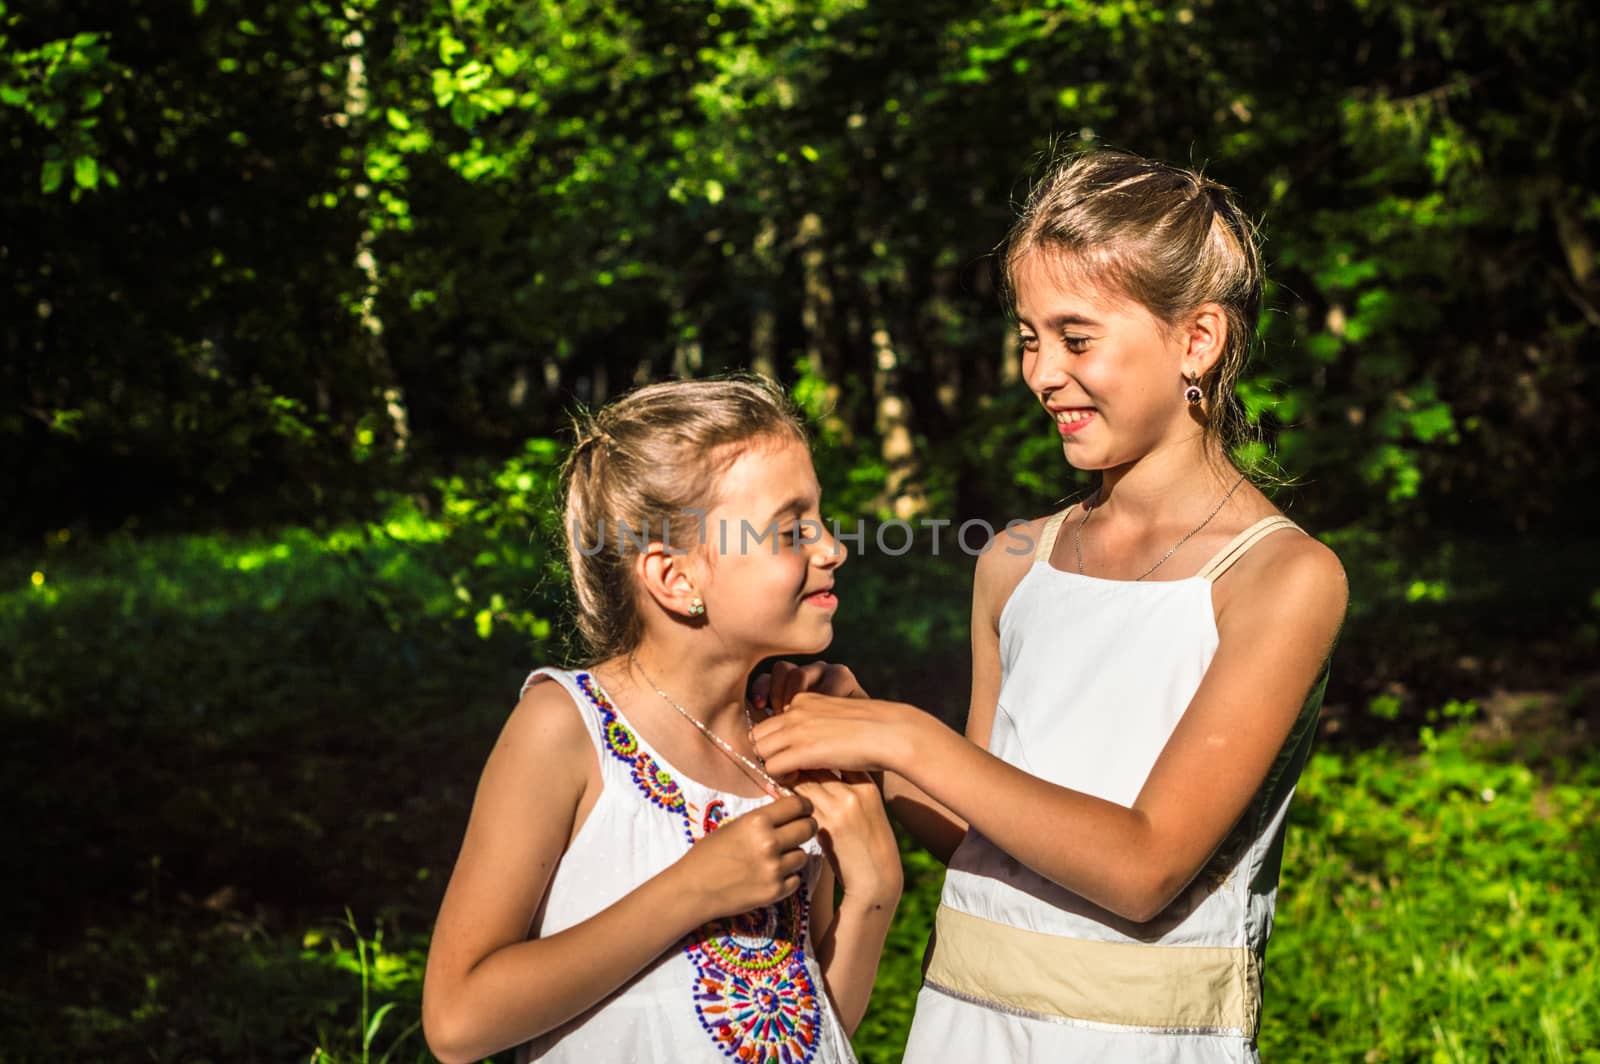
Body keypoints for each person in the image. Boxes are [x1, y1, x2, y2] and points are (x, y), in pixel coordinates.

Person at [750, 149, 1349, 1062]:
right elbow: (985, 836)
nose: (1041, 373)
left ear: (1197, 340)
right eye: (1030, 338)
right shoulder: (1016, 561)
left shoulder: (1279, 578)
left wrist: (905, 738)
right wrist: (859, 722)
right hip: (963, 1025)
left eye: (1077, 338)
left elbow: (1145, 867)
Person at [422, 377, 902, 1064]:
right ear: (676, 580)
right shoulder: (566, 728)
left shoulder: (789, 742)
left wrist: (876, 891)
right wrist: (690, 890)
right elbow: (457, 1021)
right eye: (793, 529)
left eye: (820, 519)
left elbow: (809, 1026)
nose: (832, 548)